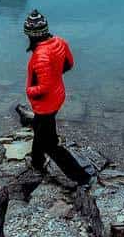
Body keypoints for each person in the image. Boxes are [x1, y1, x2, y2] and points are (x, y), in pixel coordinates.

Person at [23, 9, 92, 185]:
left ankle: (82, 178)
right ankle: (37, 162)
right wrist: (54, 76)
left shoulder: (40, 56)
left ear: (32, 35)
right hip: (58, 94)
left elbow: (43, 87)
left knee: (50, 144)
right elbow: (69, 64)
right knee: (39, 127)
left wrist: (29, 91)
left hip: (46, 104)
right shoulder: (60, 42)